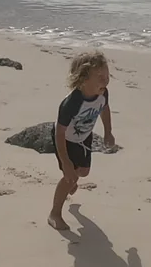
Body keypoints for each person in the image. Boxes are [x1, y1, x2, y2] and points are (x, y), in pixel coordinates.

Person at [48, 50, 115, 231]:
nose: (105, 81)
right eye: (100, 77)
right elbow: (59, 133)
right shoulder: (72, 103)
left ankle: (73, 179)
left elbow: (104, 109)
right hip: (66, 140)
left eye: (107, 76)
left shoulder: (103, 94)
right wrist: (66, 162)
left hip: (84, 137)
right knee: (69, 177)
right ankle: (54, 213)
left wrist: (108, 132)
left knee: (83, 172)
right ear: (83, 79)